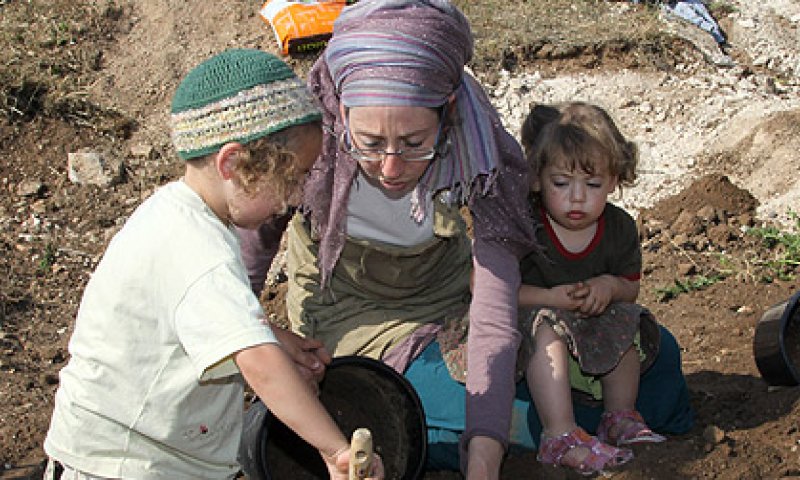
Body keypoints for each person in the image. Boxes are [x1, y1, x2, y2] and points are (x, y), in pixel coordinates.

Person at [238, 2, 691, 478]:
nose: (391, 167)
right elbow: (243, 271)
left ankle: (564, 423)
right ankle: (561, 426)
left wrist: (483, 461)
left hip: (455, 307)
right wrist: (263, 337)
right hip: (358, 321)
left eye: (415, 144)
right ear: (342, 111)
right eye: (369, 143)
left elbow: (494, 313)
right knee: (500, 410)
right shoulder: (309, 145)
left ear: (447, 113)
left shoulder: (480, 150)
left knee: (659, 364)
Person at [42, 49, 383, 480]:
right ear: (233, 164)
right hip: (122, 465)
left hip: (133, 455)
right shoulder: (200, 249)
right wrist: (334, 450)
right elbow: (260, 365)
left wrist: (273, 336)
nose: (296, 197)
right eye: (293, 177)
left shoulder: (174, 215)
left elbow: (196, 318)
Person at [517, 102, 690, 475]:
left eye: (593, 185)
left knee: (627, 318)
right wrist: (549, 298)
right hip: (529, 327)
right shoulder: (526, 226)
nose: (577, 197)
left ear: (615, 180)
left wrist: (608, 287)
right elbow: (493, 291)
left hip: (589, 324)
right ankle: (559, 432)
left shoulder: (619, 227)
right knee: (545, 325)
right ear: (537, 178)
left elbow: (631, 288)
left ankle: (619, 416)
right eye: (561, 183)